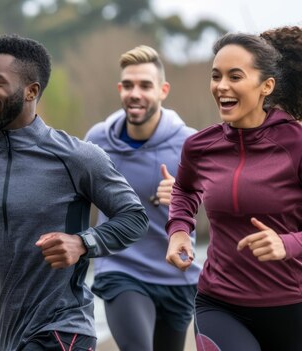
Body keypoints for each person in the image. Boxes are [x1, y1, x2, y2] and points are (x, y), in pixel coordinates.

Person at [165, 26, 302, 351]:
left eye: (235, 76)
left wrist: (290, 243)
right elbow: (184, 190)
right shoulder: (199, 146)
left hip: (289, 308)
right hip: (218, 302)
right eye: (216, 76)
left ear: (266, 86)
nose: (222, 86)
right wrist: (180, 229)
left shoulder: (299, 145)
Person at [0, 34, 149, 351]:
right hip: (10, 333)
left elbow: (134, 217)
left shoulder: (77, 157)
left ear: (31, 91)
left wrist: (82, 242)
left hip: (64, 329)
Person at [84, 45, 200, 351]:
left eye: (145, 85)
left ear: (163, 90)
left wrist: (184, 194)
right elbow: (72, 195)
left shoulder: (190, 142)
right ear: (120, 89)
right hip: (120, 268)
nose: (136, 93)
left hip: (177, 272)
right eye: (129, 85)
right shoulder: (96, 140)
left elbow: (220, 199)